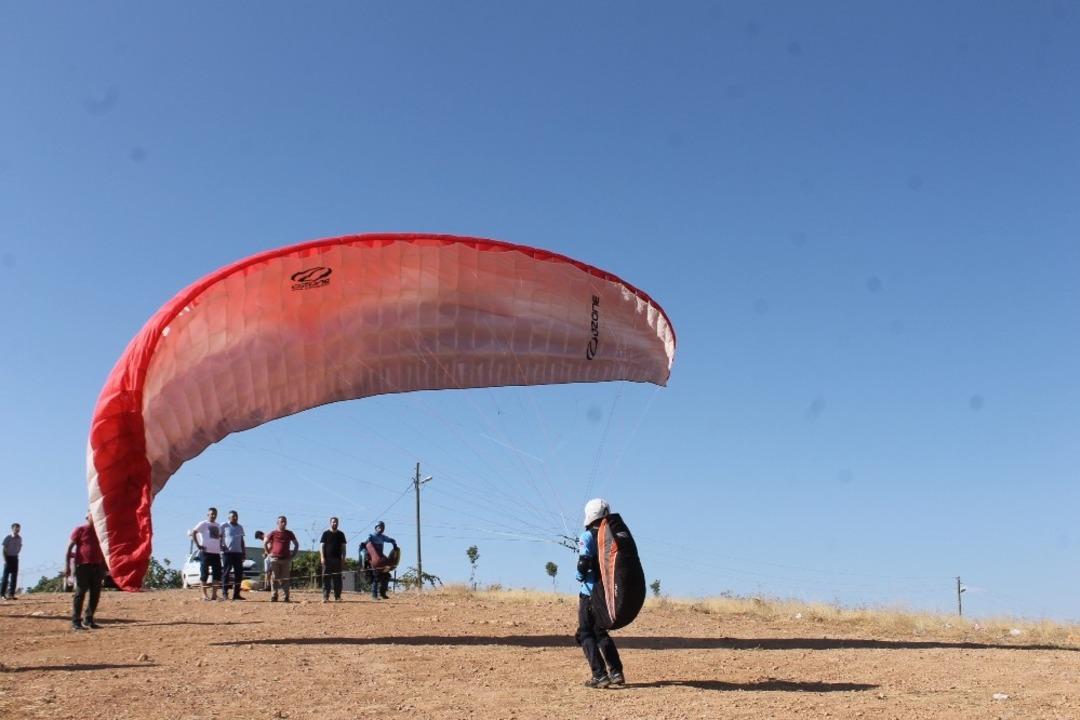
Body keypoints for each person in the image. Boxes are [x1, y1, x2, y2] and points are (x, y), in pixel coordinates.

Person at [575, 498, 625, 688]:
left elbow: (583, 563)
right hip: (606, 593)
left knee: (585, 633)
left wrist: (579, 575)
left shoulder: (586, 537)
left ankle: (599, 675)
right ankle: (616, 672)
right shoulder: (612, 535)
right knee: (601, 632)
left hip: (589, 592)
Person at [66, 513, 106, 631]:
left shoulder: (100, 532)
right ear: (87, 517)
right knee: (80, 592)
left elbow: (103, 551)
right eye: (92, 515)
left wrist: (103, 568)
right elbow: (69, 548)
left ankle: (89, 619)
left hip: (97, 566)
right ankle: (76, 621)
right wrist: (67, 566)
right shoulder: (80, 530)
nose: (94, 517)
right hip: (82, 566)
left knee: (95, 593)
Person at [190, 507, 223, 601]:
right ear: (208, 514)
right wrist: (198, 545)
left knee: (217, 574)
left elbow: (220, 537)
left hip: (216, 553)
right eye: (211, 514)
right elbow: (194, 532)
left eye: (215, 514)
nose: (213, 515)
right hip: (205, 552)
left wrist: (221, 546)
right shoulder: (203, 524)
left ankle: (214, 595)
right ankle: (204, 594)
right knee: (204, 573)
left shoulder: (218, 525)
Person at [263, 516, 299, 602]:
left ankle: (286, 596)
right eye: (282, 521)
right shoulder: (273, 533)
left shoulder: (289, 533)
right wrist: (268, 553)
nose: (283, 523)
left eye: (285, 521)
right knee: (274, 578)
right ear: (278, 523)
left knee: (285, 578)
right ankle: (274, 595)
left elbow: (296, 544)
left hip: (286, 559)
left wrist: (293, 555)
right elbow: (265, 543)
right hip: (274, 559)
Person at [362, 521, 397, 600]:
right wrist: (365, 553)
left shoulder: (383, 537)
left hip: (381, 560)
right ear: (376, 528)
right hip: (373, 561)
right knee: (376, 577)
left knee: (386, 576)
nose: (381, 529)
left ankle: (382, 593)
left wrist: (394, 544)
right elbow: (364, 545)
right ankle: (374, 595)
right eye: (379, 527)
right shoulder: (371, 536)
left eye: (382, 527)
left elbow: (390, 540)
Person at [319, 517, 347, 603]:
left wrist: (343, 558)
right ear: (330, 523)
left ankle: (337, 597)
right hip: (327, 560)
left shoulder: (341, 534)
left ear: (338, 523)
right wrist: (322, 557)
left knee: (337, 579)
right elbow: (321, 546)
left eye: (336, 522)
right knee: (326, 579)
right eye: (333, 522)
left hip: (337, 560)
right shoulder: (325, 533)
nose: (334, 523)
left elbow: (344, 547)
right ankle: (325, 597)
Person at [220, 510, 246, 600]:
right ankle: (224, 593)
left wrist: (244, 552)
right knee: (226, 573)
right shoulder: (224, 525)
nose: (235, 517)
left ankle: (236, 594)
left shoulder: (240, 527)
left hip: (238, 553)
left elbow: (242, 540)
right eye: (233, 516)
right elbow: (219, 537)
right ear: (229, 517)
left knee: (239, 574)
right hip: (227, 553)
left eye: (236, 516)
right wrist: (220, 546)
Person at [1, 523, 21, 600]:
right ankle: (2, 594)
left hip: (15, 558)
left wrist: (16, 554)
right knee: (5, 578)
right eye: (16, 528)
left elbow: (19, 547)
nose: (17, 529)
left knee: (14, 577)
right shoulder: (8, 537)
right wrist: (5, 560)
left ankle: (11, 594)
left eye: (18, 528)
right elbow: (3, 550)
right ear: (12, 528)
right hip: (8, 558)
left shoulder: (20, 538)